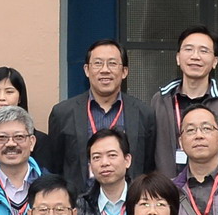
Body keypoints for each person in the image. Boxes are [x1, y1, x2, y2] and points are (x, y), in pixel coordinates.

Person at [43, 39, 158, 194]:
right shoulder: (62, 113)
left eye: (112, 63)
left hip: (129, 203)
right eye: (98, 63)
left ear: (124, 71)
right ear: (86, 70)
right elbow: (55, 167)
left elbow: (148, 166)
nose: (105, 70)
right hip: (78, 202)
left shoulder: (144, 114)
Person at [153, 25, 218, 169]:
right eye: (188, 49)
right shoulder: (161, 100)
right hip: (167, 183)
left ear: (215, 61)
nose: (195, 56)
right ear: (178, 58)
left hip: (217, 183)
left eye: (203, 51)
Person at [76, 128, 136, 215]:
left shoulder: (143, 202)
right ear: (90, 166)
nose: (104, 163)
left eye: (112, 155)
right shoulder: (80, 208)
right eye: (96, 157)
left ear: (127, 160)